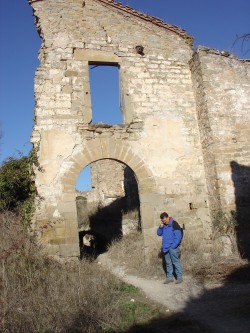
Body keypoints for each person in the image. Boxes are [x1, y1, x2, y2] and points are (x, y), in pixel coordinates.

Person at [157, 212, 183, 284]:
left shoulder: (174, 224)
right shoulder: (164, 225)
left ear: (168, 217)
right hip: (165, 248)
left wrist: (173, 246)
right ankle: (169, 278)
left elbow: (178, 236)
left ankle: (179, 277)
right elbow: (159, 233)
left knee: (175, 262)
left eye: (164, 220)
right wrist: (161, 226)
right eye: (162, 221)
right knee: (168, 263)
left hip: (172, 247)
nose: (164, 222)